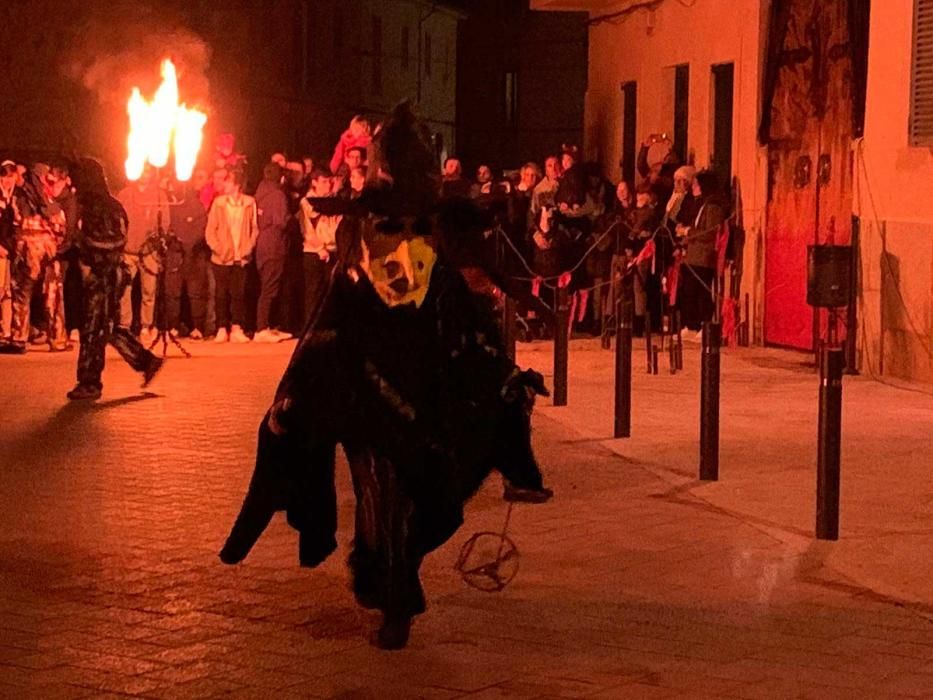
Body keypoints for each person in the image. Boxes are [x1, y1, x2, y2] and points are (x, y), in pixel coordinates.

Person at [220, 101, 550, 650]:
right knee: (381, 495)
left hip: (427, 384)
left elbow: (463, 313)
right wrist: (299, 388)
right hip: (368, 385)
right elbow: (336, 309)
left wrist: (499, 374)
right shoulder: (362, 227)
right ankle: (394, 593)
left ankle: (394, 574)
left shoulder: (440, 231)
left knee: (429, 496)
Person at [66, 158, 163, 400]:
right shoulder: (94, 205)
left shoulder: (103, 207)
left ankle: (90, 382)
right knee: (107, 328)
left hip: (104, 275)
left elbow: (114, 242)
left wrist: (81, 242)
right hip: (98, 275)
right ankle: (145, 361)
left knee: (93, 329)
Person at [2, 165, 66, 355]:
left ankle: (19, 337)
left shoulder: (20, 197)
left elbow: (13, 219)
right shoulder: (50, 199)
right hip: (49, 247)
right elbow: (61, 226)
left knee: (22, 292)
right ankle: (57, 338)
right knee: (52, 294)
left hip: (26, 245)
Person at [205, 170, 258, 343]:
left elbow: (254, 228)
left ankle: (237, 327)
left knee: (238, 293)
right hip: (221, 257)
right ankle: (221, 327)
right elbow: (210, 230)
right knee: (221, 293)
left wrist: (249, 247)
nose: (224, 185)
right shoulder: (218, 203)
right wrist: (218, 249)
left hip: (241, 256)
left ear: (236, 185)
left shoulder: (249, 203)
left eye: (227, 182)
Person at [117, 170, 168, 342]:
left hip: (149, 250)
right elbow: (118, 219)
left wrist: (157, 240)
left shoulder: (159, 196)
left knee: (149, 290)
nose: (145, 174)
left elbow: (165, 221)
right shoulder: (125, 195)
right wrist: (121, 240)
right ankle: (125, 325)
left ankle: (146, 326)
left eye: (148, 171)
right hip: (128, 249)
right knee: (125, 289)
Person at [675, 170, 725, 334]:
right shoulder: (701, 204)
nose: (693, 187)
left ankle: (705, 325)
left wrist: (688, 231)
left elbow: (709, 232)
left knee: (701, 293)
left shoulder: (713, 207)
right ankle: (691, 325)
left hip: (703, 257)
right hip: (692, 256)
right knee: (689, 292)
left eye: (696, 184)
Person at [166, 183, 209, 339]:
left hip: (195, 255)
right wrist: (174, 241)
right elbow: (167, 228)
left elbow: (201, 229)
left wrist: (188, 244)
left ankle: (197, 327)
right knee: (173, 292)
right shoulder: (171, 207)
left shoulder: (197, 207)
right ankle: (173, 326)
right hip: (175, 255)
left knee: (196, 293)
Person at [254, 162, 291, 343]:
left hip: (262, 244)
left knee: (267, 285)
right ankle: (261, 328)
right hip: (274, 244)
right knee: (269, 288)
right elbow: (281, 221)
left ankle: (266, 325)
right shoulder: (278, 195)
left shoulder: (260, 194)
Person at [298, 171, 341, 323]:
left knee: (330, 292)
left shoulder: (333, 199)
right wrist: (319, 248)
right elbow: (307, 229)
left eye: (329, 181)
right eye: (323, 181)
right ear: (314, 182)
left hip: (333, 250)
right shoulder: (307, 201)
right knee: (313, 292)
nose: (327, 184)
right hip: (313, 252)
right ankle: (310, 326)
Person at [0, 161, 20, 347]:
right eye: (4, 176)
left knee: (7, 292)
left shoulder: (16, 196)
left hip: (10, 251)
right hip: (1, 250)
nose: (7, 180)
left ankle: (6, 331)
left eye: (10, 176)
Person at [531, 155, 561, 219]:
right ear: (546, 170)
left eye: (556, 165)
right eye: (550, 166)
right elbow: (534, 212)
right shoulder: (539, 189)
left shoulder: (566, 181)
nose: (553, 169)